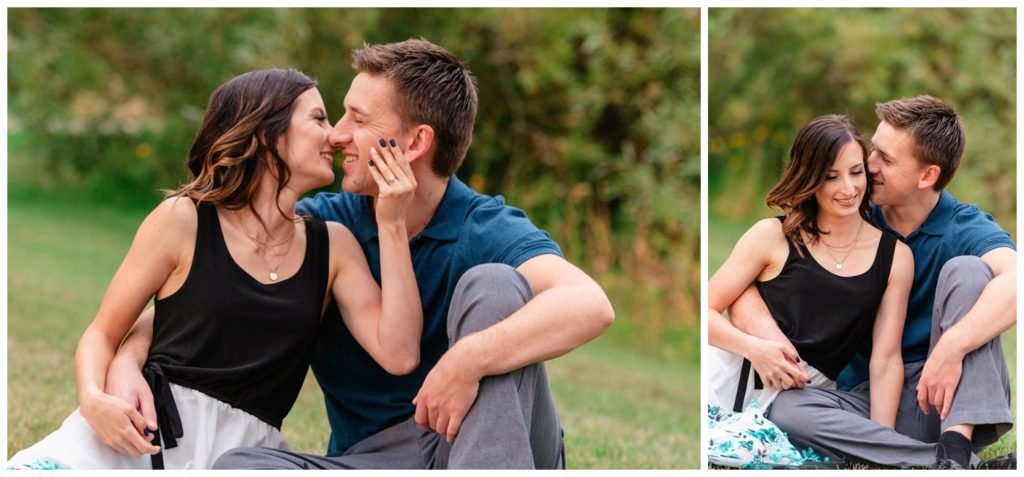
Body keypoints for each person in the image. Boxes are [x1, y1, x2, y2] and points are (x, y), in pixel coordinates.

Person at [104, 39, 615, 469]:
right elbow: (217, 296)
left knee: (494, 285)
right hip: (373, 458)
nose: (338, 134)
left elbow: (589, 304)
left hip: (493, 446)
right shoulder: (326, 228)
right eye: (337, 114)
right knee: (241, 466)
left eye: (358, 118)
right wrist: (129, 356)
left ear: (415, 143)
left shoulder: (484, 228)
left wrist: (466, 361)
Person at [7, 68, 423, 470]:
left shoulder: (333, 246)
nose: (333, 135)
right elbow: (103, 331)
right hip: (144, 433)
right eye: (318, 118)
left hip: (245, 457)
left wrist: (392, 222)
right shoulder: (182, 219)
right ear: (266, 134)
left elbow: (400, 354)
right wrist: (94, 399)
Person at [730, 96, 1016, 469]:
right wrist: (766, 336)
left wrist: (952, 347)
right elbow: (756, 271)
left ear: (927, 175)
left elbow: (1016, 280)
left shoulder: (964, 227)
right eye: (873, 151)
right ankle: (946, 464)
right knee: (785, 408)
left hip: (944, 397)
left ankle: (956, 447)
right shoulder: (854, 211)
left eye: (886, 158)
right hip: (868, 400)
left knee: (967, 271)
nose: (870, 165)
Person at [706, 115, 913, 468]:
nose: (848, 188)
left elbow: (886, 358)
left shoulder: (895, 257)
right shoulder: (772, 236)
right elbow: (705, 311)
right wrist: (756, 350)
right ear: (810, 178)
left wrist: (881, 441)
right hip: (730, 375)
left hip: (805, 397)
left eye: (855, 171)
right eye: (831, 177)